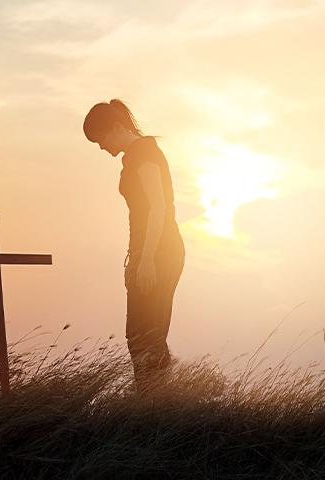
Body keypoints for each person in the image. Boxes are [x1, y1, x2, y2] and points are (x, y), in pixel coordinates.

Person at [83, 98, 185, 394]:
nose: (101, 147)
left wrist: (148, 259)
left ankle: (153, 402)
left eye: (100, 139)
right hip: (151, 252)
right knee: (146, 333)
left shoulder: (145, 155)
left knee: (144, 334)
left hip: (158, 253)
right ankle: (160, 398)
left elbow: (158, 208)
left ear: (116, 127)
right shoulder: (138, 155)